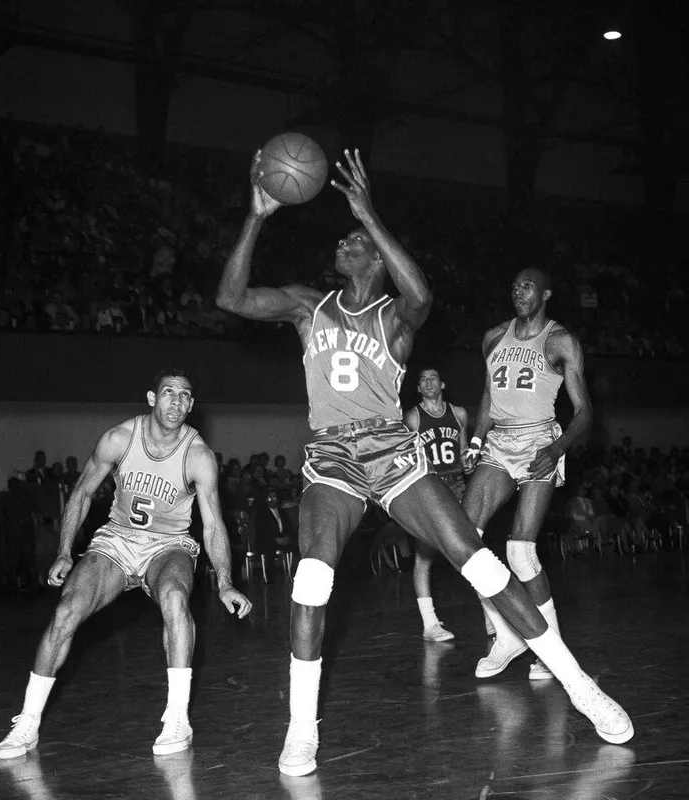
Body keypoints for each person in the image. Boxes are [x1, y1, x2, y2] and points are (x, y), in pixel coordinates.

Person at [217, 147, 633, 777]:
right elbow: (230, 298)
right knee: (311, 580)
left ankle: (579, 686)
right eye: (344, 238)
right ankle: (302, 730)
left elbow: (422, 293)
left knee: (484, 562)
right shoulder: (310, 304)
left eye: (357, 240)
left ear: (379, 258)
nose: (345, 243)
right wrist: (254, 217)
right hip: (332, 454)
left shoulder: (396, 319)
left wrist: (370, 214)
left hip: (390, 448)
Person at [0, 368, 252, 760]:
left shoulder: (198, 456)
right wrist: (65, 550)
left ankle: (177, 719)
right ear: (152, 398)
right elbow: (81, 494)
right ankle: (28, 722)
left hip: (169, 544)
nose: (176, 402)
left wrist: (225, 583)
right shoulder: (119, 438)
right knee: (66, 611)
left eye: (184, 396)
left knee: (175, 600)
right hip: (116, 539)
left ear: (191, 405)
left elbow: (214, 524)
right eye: (168, 393)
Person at [461, 267, 592, 681]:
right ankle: (506, 635)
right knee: (464, 541)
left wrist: (555, 449)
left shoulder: (559, 340)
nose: (518, 291)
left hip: (539, 442)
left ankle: (549, 649)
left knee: (520, 552)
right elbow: (487, 394)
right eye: (515, 285)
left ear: (546, 294)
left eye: (528, 286)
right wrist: (478, 441)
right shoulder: (493, 336)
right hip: (499, 441)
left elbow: (585, 411)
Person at [402, 367, 470, 642]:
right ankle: (430, 623)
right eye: (422, 380)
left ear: (442, 383)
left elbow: (464, 454)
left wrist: (470, 459)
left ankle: (493, 617)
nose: (428, 382)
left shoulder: (460, 414)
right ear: (418, 389)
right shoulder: (414, 417)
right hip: (430, 486)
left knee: (474, 550)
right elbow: (408, 457)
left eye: (432, 378)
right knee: (424, 555)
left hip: (457, 484)